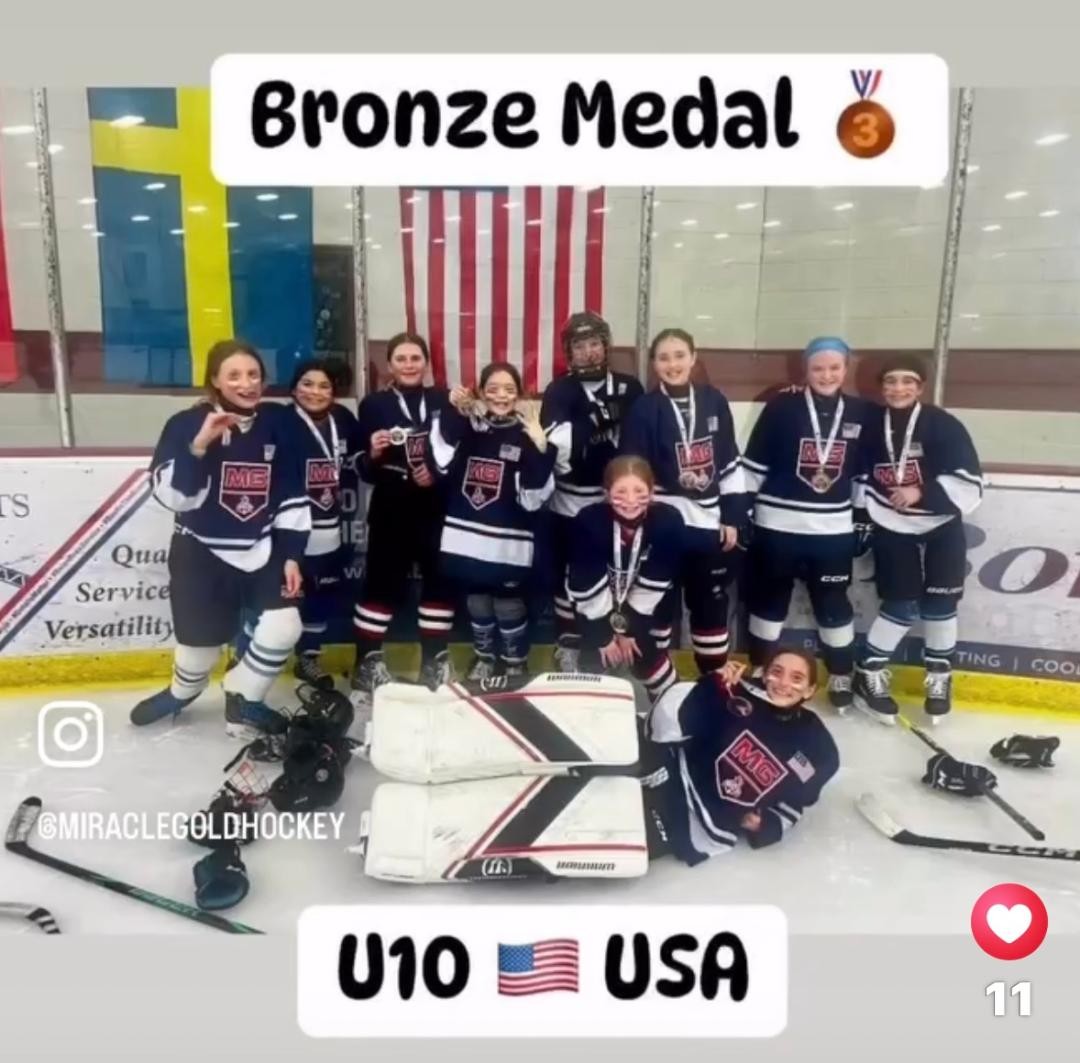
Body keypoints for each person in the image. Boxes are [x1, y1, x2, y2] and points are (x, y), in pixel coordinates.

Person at [131, 339, 311, 738]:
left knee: (284, 625)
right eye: (234, 376)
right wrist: (198, 447)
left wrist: (291, 554)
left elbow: (291, 493)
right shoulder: (184, 423)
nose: (246, 384)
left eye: (253, 374)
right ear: (215, 380)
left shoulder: (278, 423)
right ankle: (182, 691)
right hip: (200, 552)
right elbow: (174, 499)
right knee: (199, 651)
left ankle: (244, 697)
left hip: (261, 549)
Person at [740, 336, 873, 712]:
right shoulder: (781, 407)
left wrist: (862, 518)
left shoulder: (862, 413)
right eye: (818, 368)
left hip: (831, 532)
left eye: (834, 367)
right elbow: (754, 465)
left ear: (846, 368)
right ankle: (761, 668)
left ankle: (841, 673)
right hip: (777, 527)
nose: (826, 375)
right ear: (806, 369)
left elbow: (863, 473)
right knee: (769, 601)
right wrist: (741, 512)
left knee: (833, 604)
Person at [852, 355, 985, 725]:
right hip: (891, 524)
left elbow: (969, 476)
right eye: (891, 381)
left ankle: (939, 678)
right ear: (881, 387)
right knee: (901, 605)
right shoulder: (870, 424)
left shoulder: (943, 424)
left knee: (941, 603)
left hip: (942, 524)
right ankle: (868, 673)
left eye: (907, 381)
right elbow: (858, 473)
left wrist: (922, 492)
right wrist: (860, 519)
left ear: (921, 387)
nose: (899, 388)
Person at [620, 328, 745, 674]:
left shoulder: (714, 400)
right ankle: (657, 684)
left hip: (707, 526)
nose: (672, 364)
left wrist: (733, 516)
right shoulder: (644, 409)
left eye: (679, 356)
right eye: (663, 358)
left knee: (709, 606)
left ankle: (714, 683)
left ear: (693, 358)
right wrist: (637, 523)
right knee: (658, 608)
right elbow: (632, 471)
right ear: (654, 364)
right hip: (661, 526)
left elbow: (730, 462)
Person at [639, 649, 840, 864]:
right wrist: (710, 687)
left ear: (810, 690)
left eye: (796, 678)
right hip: (670, 769)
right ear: (764, 675)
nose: (783, 683)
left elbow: (795, 801)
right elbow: (660, 729)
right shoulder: (735, 692)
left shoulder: (818, 748)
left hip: (694, 820)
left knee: (625, 835)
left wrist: (765, 825)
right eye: (776, 672)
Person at [235, 357, 360, 689]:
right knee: (270, 600)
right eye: (307, 384)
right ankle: (244, 659)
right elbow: (238, 417)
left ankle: (308, 658)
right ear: (293, 389)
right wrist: (205, 411)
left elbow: (361, 458)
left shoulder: (343, 419)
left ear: (334, 392)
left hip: (329, 533)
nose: (315, 392)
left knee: (318, 601)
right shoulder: (275, 416)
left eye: (324, 386)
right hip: (285, 533)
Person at [431, 362, 556, 680]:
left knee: (507, 603)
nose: (501, 395)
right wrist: (455, 411)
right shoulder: (469, 426)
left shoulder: (527, 433)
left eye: (509, 389)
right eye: (493, 389)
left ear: (519, 394)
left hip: (509, 541)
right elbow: (441, 461)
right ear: (481, 392)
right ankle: (485, 657)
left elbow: (533, 497)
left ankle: (515, 661)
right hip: (467, 537)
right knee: (477, 600)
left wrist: (541, 448)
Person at [350, 332, 453, 702]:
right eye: (401, 359)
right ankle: (366, 663)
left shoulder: (443, 400)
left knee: (439, 582)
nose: (409, 365)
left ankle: (434, 661)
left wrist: (436, 474)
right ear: (390, 365)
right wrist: (375, 454)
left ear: (426, 362)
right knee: (382, 583)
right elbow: (360, 466)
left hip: (436, 504)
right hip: (391, 504)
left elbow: (458, 453)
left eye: (415, 358)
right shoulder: (374, 405)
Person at [541, 311, 644, 672]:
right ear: (569, 352)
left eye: (594, 343)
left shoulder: (630, 388)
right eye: (580, 346)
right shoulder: (559, 390)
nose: (588, 352)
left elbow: (638, 443)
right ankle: (569, 642)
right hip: (569, 503)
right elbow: (560, 448)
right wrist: (600, 419)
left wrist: (588, 425)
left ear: (606, 345)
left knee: (617, 573)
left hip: (617, 502)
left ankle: (616, 638)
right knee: (569, 578)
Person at [566, 456, 682, 704]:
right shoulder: (588, 521)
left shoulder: (669, 522)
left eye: (639, 491)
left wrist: (629, 631)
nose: (630, 500)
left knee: (658, 673)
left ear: (652, 492)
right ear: (606, 494)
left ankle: (669, 711)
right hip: (595, 615)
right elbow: (585, 584)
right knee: (591, 672)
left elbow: (654, 583)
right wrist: (604, 636)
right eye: (621, 492)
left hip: (644, 616)